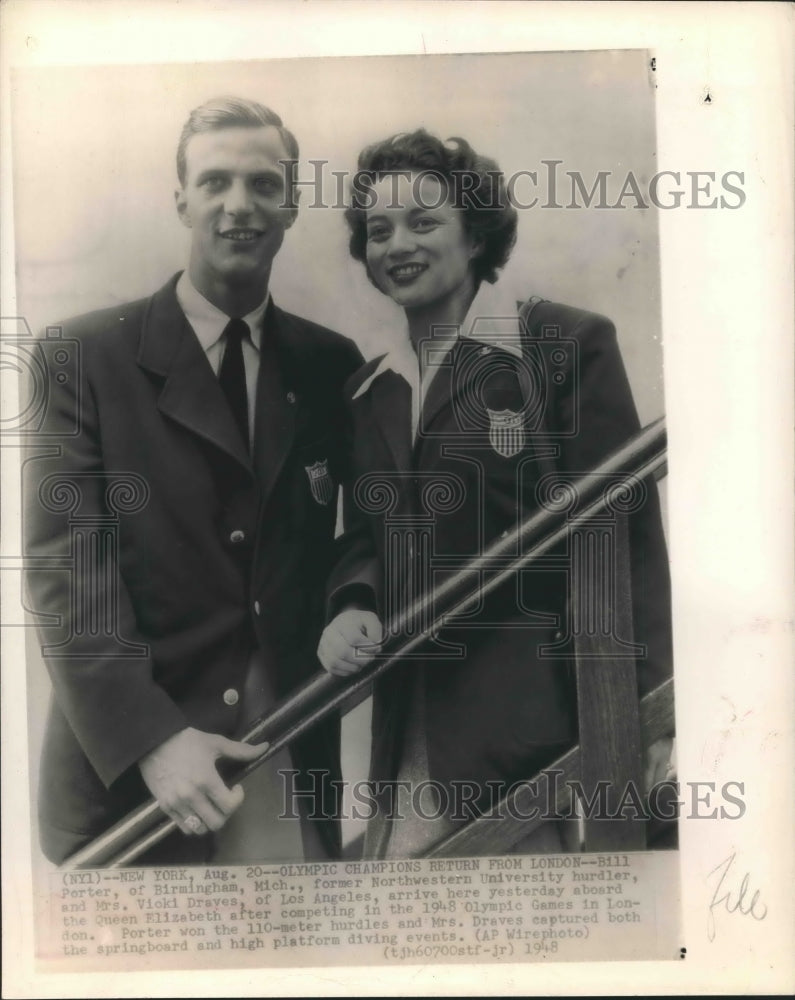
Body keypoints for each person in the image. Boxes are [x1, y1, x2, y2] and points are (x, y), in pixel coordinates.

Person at [24, 97, 362, 865]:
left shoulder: (328, 366)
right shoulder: (82, 359)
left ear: (293, 201)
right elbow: (64, 575)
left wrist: (357, 598)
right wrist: (152, 740)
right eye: (213, 182)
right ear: (180, 198)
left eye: (262, 183)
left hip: (285, 757)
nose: (238, 206)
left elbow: (371, 529)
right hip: (134, 788)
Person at [318, 129, 674, 857]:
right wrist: (352, 602)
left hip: (539, 742)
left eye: (424, 222)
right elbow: (370, 536)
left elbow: (626, 543)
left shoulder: (560, 346)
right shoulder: (370, 390)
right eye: (378, 230)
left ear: (476, 232)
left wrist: (651, 719)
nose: (396, 245)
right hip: (405, 744)